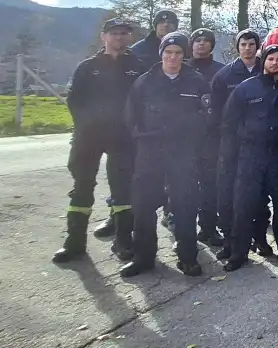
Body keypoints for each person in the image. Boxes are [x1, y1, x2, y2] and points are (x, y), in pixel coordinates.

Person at [53, 19, 145, 264]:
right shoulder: (87, 67)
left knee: (123, 190)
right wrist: (86, 126)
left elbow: (143, 101)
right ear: (103, 36)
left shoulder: (138, 67)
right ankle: (74, 243)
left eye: (124, 33)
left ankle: (123, 241)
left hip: (123, 138)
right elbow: (74, 100)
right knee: (82, 188)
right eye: (114, 33)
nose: (119, 37)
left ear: (130, 38)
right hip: (88, 138)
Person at [120, 32, 208, 278]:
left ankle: (188, 258)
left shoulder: (197, 82)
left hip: (182, 151)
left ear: (184, 55)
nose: (173, 57)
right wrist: (142, 137)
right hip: (150, 151)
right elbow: (131, 116)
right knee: (143, 205)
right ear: (161, 54)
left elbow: (207, 115)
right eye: (168, 52)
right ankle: (143, 257)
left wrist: (191, 137)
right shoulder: (144, 82)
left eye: (178, 53)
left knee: (185, 204)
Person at [221, 45, 278, 271]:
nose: (275, 63)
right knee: (244, 206)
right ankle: (238, 254)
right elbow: (230, 122)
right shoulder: (245, 88)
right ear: (263, 61)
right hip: (251, 156)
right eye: (271, 59)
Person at [211, 29, 262, 259]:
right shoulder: (224, 76)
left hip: (258, 144)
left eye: (252, 44)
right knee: (227, 193)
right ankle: (230, 241)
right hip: (231, 143)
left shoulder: (266, 71)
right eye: (243, 44)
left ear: (257, 47)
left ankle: (257, 238)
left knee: (256, 195)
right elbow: (215, 112)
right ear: (237, 47)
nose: (248, 48)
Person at [186, 28, 225, 247]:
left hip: (211, 138)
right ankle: (183, 231)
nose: (201, 44)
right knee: (184, 186)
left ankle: (209, 228)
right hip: (184, 139)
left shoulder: (221, 72)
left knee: (211, 185)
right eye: (197, 40)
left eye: (205, 40)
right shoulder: (181, 68)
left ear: (212, 45)